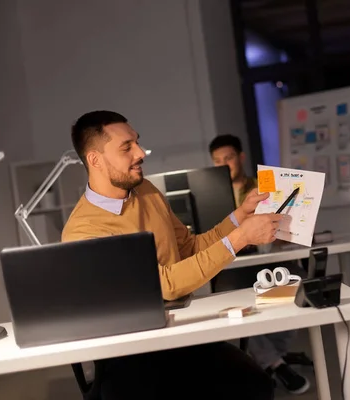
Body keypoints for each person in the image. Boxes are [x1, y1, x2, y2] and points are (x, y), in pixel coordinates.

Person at [62, 111, 282, 400]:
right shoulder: (83, 230)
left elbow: (188, 248)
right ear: (95, 160)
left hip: (180, 336)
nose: (140, 153)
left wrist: (240, 217)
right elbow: (163, 285)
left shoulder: (147, 191)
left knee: (255, 384)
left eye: (137, 143)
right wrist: (240, 238)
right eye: (126, 147)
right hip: (132, 355)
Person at [209, 134, 310, 395]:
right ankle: (277, 364)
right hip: (231, 264)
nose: (224, 164)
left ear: (241, 157)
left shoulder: (263, 187)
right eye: (217, 161)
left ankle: (272, 359)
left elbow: (287, 228)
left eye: (228, 158)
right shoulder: (209, 194)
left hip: (268, 257)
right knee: (235, 303)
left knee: (298, 286)